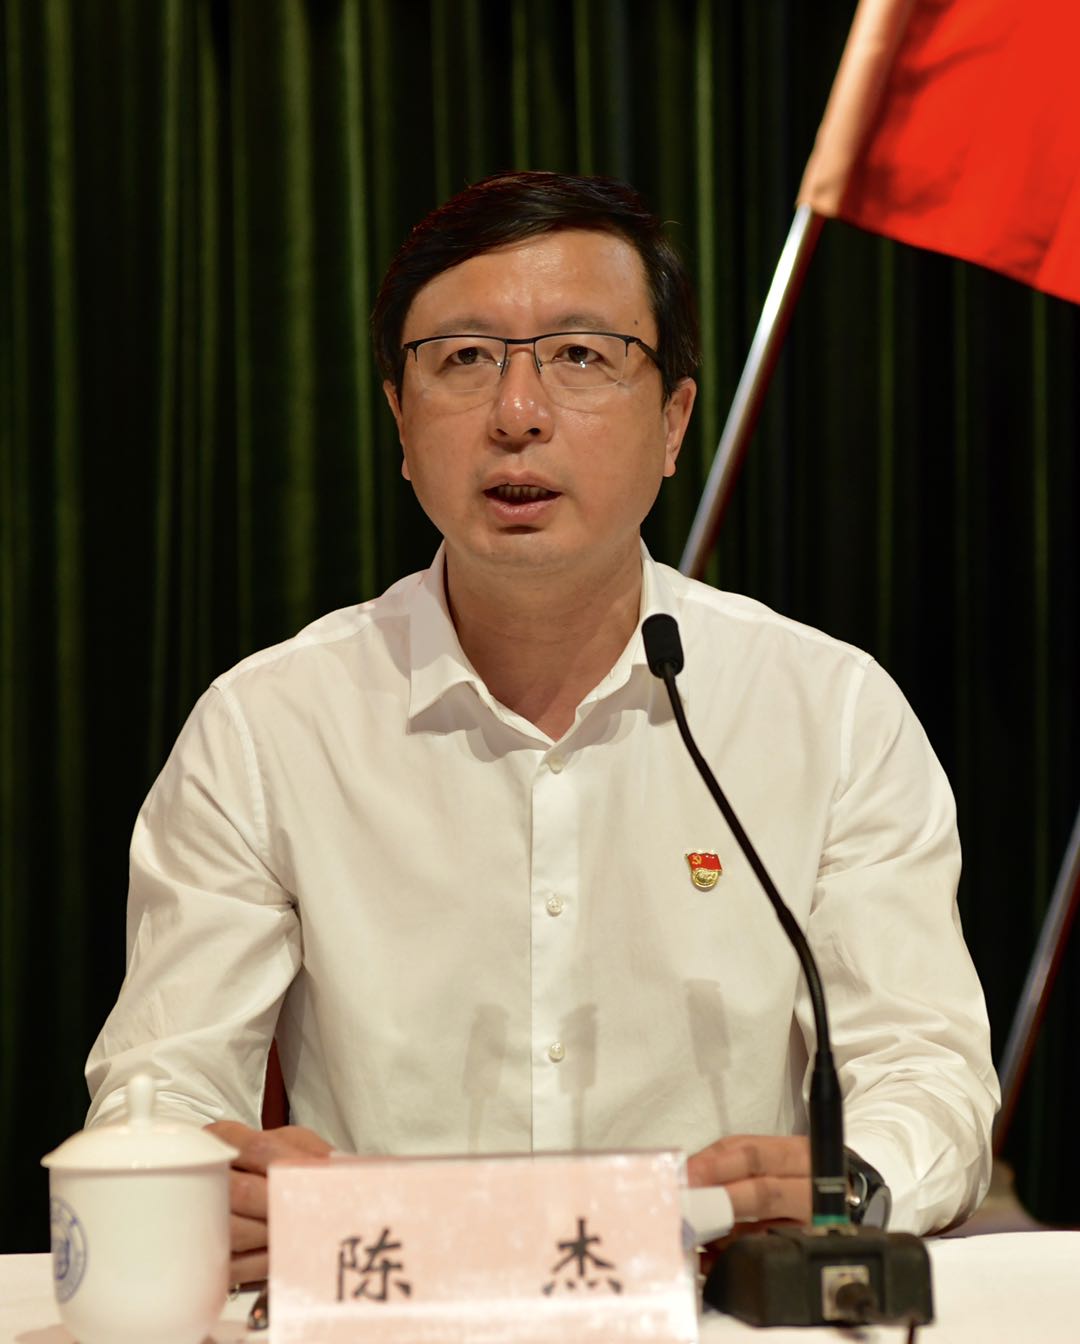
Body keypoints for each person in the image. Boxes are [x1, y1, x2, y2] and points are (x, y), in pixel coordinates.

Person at [86, 171, 999, 1284]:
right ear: (400, 421)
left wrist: (850, 1182)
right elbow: (160, 1086)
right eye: (465, 358)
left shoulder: (829, 711)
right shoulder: (268, 727)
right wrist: (198, 1179)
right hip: (391, 1314)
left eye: (579, 355)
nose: (518, 413)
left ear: (674, 422)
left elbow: (926, 1070)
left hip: (711, 1315)